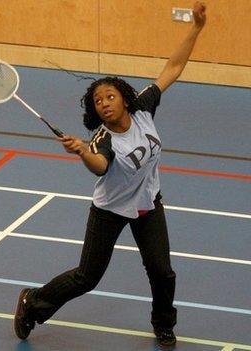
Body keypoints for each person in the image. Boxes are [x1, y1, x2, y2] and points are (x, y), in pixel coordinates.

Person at [14, 2, 206, 348]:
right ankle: (33, 302)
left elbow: (172, 68)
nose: (104, 102)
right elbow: (101, 168)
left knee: (162, 271)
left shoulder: (144, 108)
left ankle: (163, 324)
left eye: (109, 95)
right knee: (87, 277)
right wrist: (84, 152)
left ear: (123, 97)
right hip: (109, 211)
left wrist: (195, 29)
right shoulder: (103, 138)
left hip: (148, 204)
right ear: (95, 110)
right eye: (98, 100)